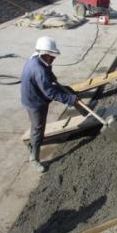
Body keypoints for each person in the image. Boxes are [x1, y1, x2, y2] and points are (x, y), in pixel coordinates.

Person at [20, 37, 77, 173]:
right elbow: (50, 93)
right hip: (34, 102)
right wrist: (69, 100)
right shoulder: (38, 70)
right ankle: (34, 158)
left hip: (33, 96)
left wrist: (52, 77)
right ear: (44, 53)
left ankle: (34, 143)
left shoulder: (36, 58)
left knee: (37, 127)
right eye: (52, 56)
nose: (54, 58)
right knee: (38, 128)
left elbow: (48, 72)